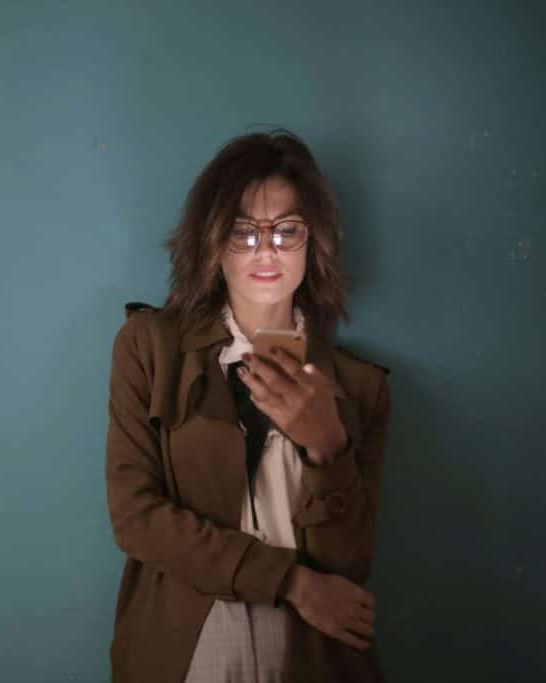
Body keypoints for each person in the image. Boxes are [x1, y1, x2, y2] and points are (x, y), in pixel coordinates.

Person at [104, 129, 392, 682]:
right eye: (243, 231)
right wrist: (292, 583)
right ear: (213, 243)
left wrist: (328, 447)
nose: (267, 249)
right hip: (186, 654)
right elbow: (136, 517)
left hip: (311, 657)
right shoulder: (149, 349)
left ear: (314, 243)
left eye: (287, 230)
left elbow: (350, 566)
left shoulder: (361, 388)